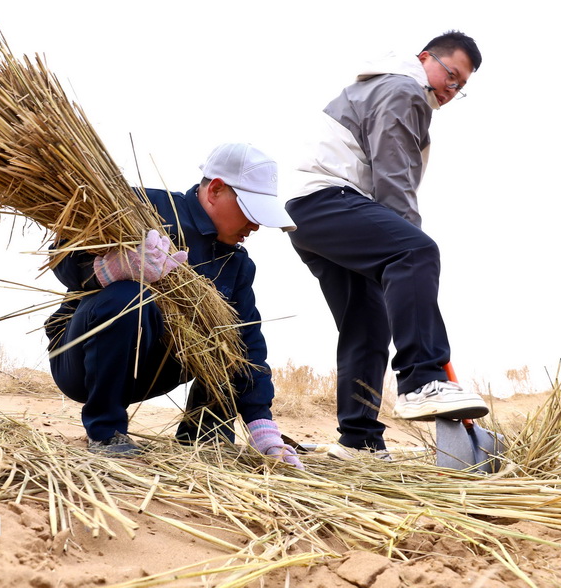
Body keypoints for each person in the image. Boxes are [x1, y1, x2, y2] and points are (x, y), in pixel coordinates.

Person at [284, 30, 490, 454]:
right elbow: (393, 179)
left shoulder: (389, 87)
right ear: (425, 58)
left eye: (460, 87)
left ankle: (358, 440)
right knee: (416, 251)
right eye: (450, 75)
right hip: (328, 197)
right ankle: (423, 380)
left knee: (367, 323)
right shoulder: (402, 88)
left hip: (309, 213)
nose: (450, 90)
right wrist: (406, 241)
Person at [44, 142, 303, 468]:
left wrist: (262, 426)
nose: (256, 226)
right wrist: (112, 269)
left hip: (153, 370)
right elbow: (61, 255)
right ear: (217, 190)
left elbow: (247, 346)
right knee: (129, 297)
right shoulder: (141, 206)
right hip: (80, 357)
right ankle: (106, 431)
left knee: (221, 329)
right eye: (252, 212)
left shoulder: (238, 265)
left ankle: (205, 438)